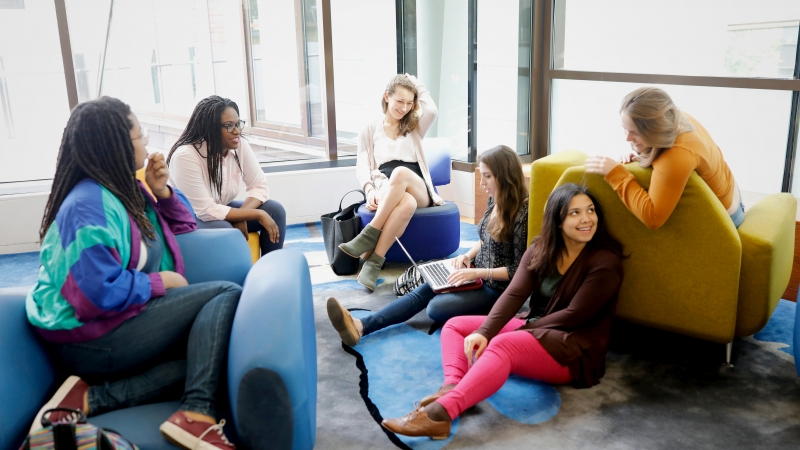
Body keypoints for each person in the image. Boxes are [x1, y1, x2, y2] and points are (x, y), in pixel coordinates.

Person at [27, 97, 241, 450]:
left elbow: (187, 227)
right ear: (117, 145)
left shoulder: (126, 190)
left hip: (121, 322)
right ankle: (196, 414)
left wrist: (163, 193)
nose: (147, 143)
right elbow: (95, 295)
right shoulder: (87, 206)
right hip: (89, 340)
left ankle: (88, 400)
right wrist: (160, 282)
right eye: (141, 135)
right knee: (226, 293)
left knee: (211, 353)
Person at [381, 183, 625, 440]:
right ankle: (452, 388)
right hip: (535, 327)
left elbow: (574, 315)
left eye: (590, 210)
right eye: (574, 213)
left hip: (574, 347)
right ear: (557, 218)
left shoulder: (605, 262)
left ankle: (440, 414)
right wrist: (486, 331)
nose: (586, 219)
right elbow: (514, 294)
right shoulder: (541, 248)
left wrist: (512, 333)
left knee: (504, 344)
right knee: (456, 326)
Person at [327, 145, 529, 345]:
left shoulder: (522, 213)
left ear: (504, 176)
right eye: (481, 175)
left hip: (498, 291)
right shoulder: (495, 199)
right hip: (475, 273)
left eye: (487, 176)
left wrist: (478, 274)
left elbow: (518, 271)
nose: (481, 183)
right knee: (427, 288)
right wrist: (467, 256)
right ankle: (362, 326)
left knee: (435, 308)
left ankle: (484, 312)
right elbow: (486, 239)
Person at [584, 87, 743, 230]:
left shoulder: (677, 155)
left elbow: (653, 218)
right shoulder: (677, 118)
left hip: (728, 218)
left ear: (655, 129)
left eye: (636, 133)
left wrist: (616, 174)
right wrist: (641, 158)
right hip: (732, 190)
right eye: (625, 129)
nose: (628, 139)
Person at [340, 73, 443, 291]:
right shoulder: (369, 129)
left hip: (417, 186)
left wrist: (416, 84)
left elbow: (432, 110)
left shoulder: (414, 125)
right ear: (386, 97)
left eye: (409, 103)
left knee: (401, 173)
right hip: (386, 184)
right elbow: (362, 166)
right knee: (407, 204)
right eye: (399, 101)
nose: (404, 108)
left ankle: (368, 236)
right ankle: (374, 263)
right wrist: (369, 190)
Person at [167, 95, 285, 256]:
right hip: (190, 218)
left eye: (237, 124)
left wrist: (240, 216)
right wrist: (256, 213)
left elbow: (258, 186)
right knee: (225, 230)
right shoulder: (185, 156)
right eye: (229, 126)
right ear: (210, 128)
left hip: (216, 211)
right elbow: (205, 211)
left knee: (274, 210)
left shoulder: (239, 145)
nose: (236, 131)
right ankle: (239, 277)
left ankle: (269, 270)